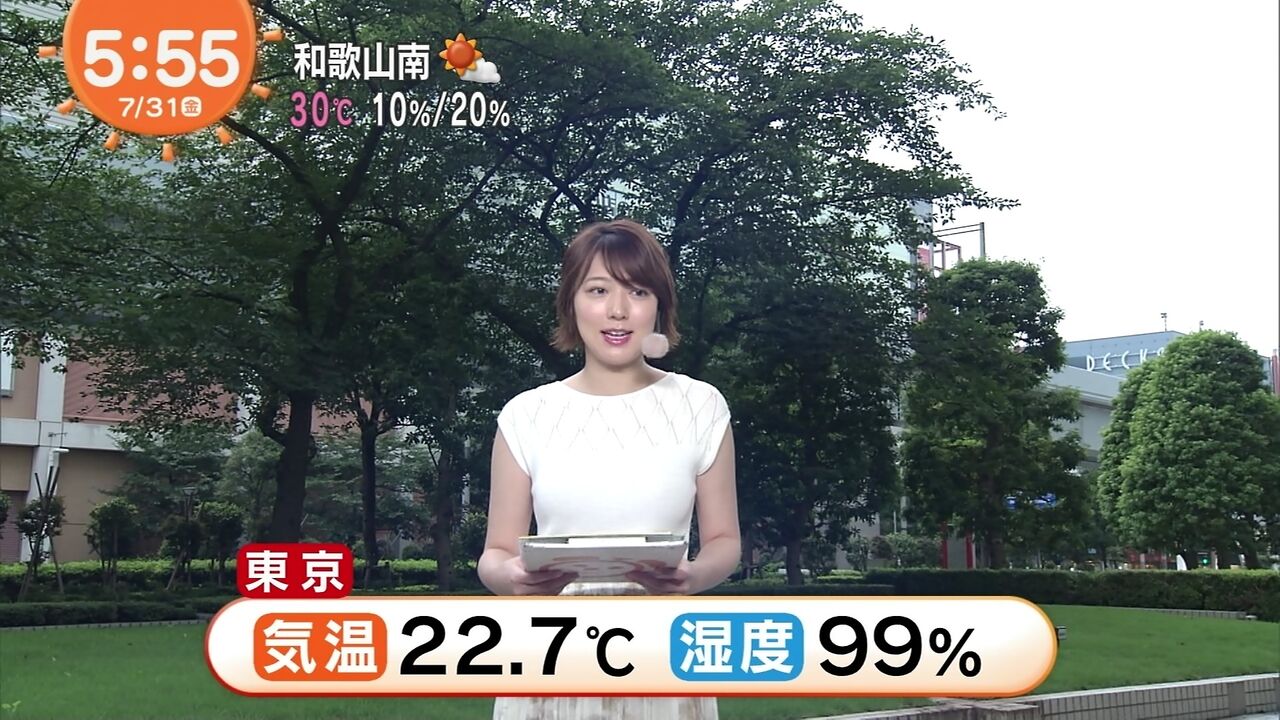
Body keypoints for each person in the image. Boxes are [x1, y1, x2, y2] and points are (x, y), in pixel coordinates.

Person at [479, 219, 741, 720]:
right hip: (549, 656)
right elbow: (494, 553)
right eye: (598, 290)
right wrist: (511, 577)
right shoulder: (526, 415)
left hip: (662, 657)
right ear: (571, 302)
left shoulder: (701, 406)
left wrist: (691, 576)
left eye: (637, 291)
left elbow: (724, 541)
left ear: (659, 306)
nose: (618, 310)